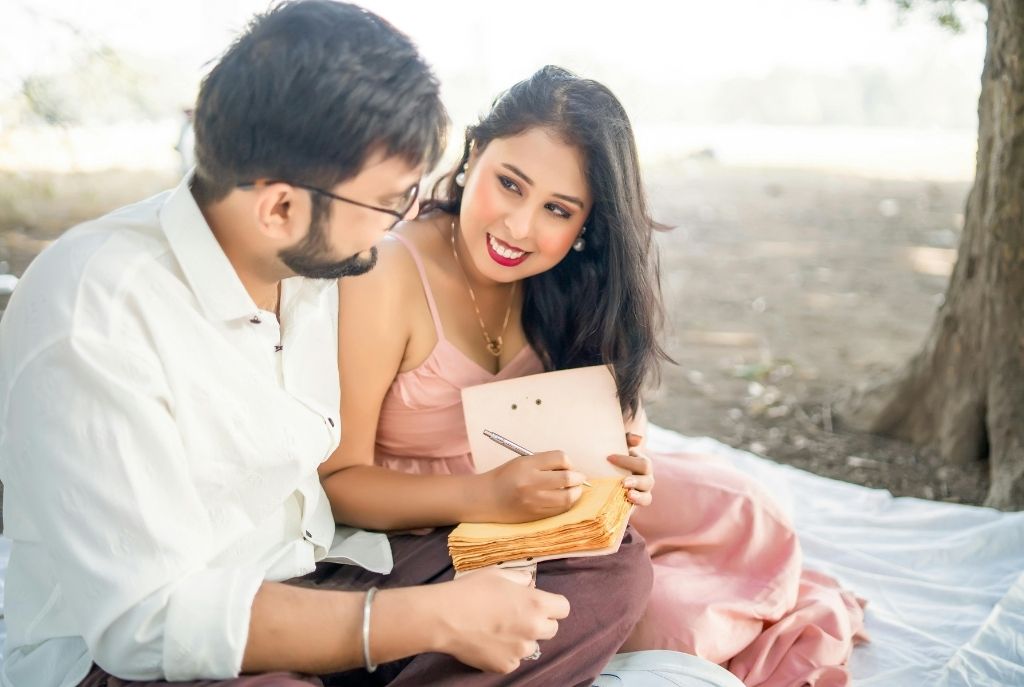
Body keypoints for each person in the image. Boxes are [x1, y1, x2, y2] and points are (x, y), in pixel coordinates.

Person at [0, 6, 651, 686]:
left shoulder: (309, 266)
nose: (401, 227)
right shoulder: (95, 310)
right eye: (386, 205)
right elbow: (151, 619)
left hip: (311, 569)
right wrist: (426, 618)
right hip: (137, 651)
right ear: (279, 206)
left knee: (601, 567)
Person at [321, 65, 868, 687]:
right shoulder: (389, 275)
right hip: (399, 534)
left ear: (589, 224)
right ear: (474, 152)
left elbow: (601, 427)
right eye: (509, 184)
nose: (519, 227)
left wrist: (623, 468)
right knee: (620, 574)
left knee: (743, 513)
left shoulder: (567, 285)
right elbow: (338, 483)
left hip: (527, 508)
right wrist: (485, 497)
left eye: (558, 209)